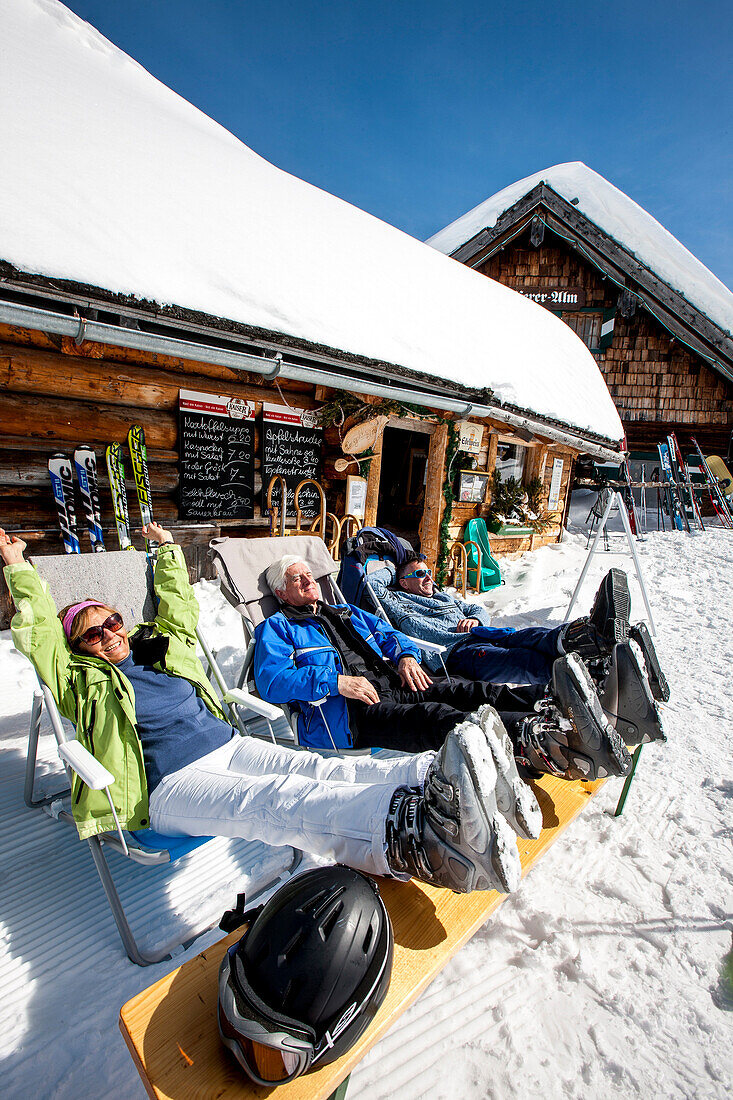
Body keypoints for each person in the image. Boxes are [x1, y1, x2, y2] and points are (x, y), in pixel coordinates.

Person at [1, 524, 542, 896]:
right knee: (276, 799)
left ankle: (448, 780)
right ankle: (415, 840)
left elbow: (179, 606)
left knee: (327, 769)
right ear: (77, 645)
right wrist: (19, 567)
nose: (108, 634)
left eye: (112, 621)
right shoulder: (80, 678)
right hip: (168, 784)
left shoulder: (165, 648)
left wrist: (166, 551)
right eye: (91, 631)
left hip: (227, 745)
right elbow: (41, 635)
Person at [252, 555, 632, 781]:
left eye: (308, 575)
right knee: (439, 717)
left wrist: (404, 656)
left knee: (475, 691)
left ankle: (561, 704)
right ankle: (540, 740)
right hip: (349, 715)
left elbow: (389, 633)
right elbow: (271, 682)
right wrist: (335, 681)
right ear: (281, 592)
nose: (308, 581)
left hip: (394, 681)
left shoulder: (346, 611)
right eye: (295, 579)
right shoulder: (276, 627)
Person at [379, 557, 669, 738]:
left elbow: (477, 608)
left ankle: (595, 637)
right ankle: (594, 676)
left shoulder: (445, 597)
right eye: (419, 574)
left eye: (429, 572)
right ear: (403, 582)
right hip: (456, 652)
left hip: (482, 632)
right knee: (522, 661)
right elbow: (374, 580)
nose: (428, 577)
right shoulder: (396, 600)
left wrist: (474, 617)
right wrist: (393, 567)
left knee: (535, 637)